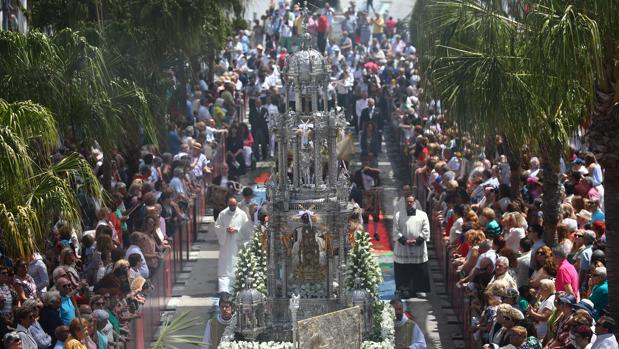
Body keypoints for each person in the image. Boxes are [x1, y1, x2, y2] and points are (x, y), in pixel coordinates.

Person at [392, 194, 431, 298]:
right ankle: (403, 288)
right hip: (403, 247)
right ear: (405, 202)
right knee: (403, 269)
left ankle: (418, 289)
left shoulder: (423, 215)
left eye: (411, 202)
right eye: (407, 202)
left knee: (418, 269)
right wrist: (405, 241)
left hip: (418, 247)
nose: (409, 204)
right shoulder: (398, 215)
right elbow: (396, 230)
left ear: (415, 202)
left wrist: (417, 241)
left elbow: (426, 230)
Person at [214, 197, 250, 293]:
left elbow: (246, 227)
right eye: (230, 205)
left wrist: (237, 230)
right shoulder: (223, 214)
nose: (232, 207)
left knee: (236, 262)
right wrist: (225, 229)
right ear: (228, 205)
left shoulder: (242, 214)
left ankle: (237, 282)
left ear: (236, 204)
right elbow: (217, 226)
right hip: (226, 243)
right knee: (225, 266)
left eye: (234, 205)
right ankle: (224, 289)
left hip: (237, 242)